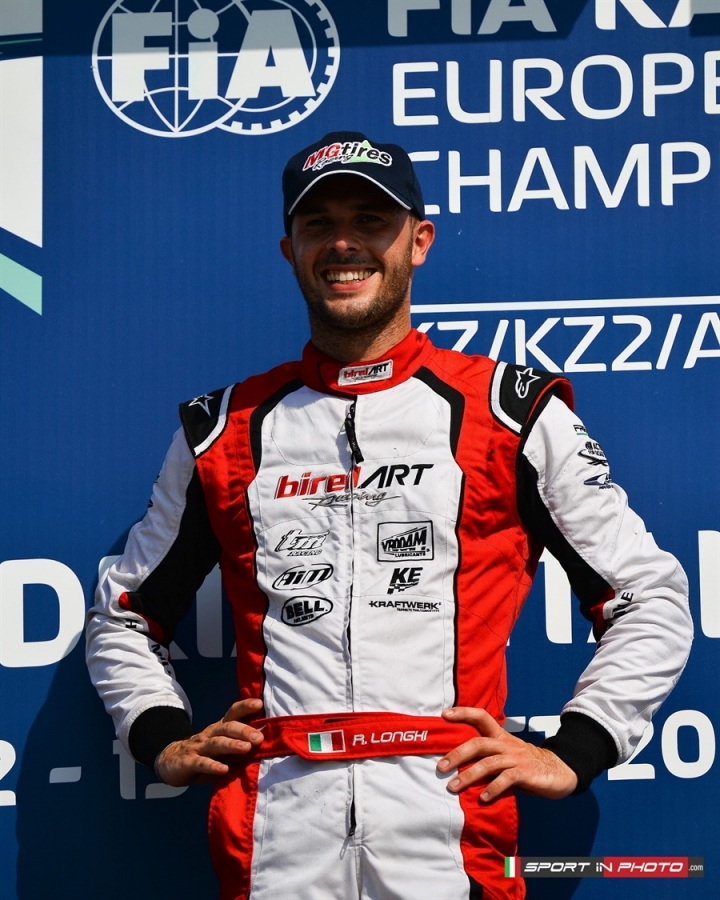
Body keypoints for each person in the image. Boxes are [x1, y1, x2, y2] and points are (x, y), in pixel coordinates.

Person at [86, 132, 693, 900]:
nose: (344, 243)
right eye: (319, 223)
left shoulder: (510, 412)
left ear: (419, 242)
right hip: (276, 839)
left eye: (371, 221)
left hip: (450, 828)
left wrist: (579, 747)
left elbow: (650, 596)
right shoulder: (223, 429)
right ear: (290, 250)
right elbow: (124, 615)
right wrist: (160, 736)